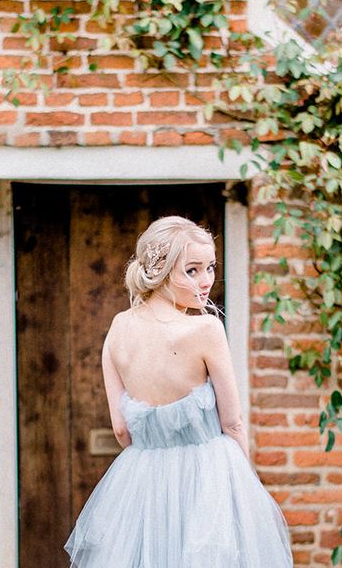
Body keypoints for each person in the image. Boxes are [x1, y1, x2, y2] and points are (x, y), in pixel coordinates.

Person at [64, 216, 293, 567]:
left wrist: (158, 455)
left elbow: (122, 429)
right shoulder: (206, 329)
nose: (206, 282)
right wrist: (244, 493)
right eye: (192, 270)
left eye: (210, 268)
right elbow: (232, 425)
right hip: (209, 481)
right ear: (162, 270)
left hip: (142, 482)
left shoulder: (118, 327)